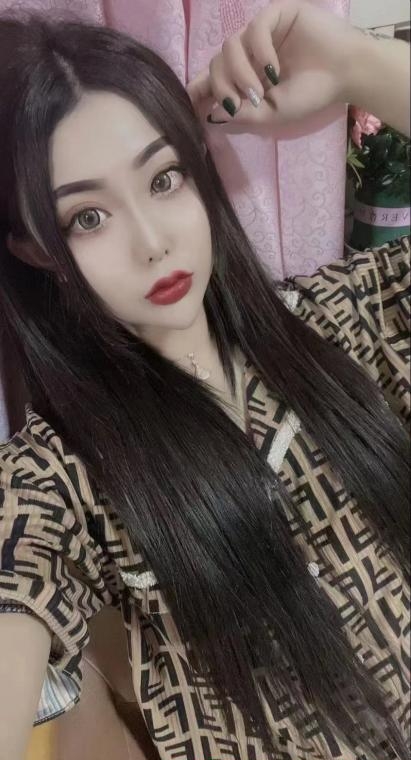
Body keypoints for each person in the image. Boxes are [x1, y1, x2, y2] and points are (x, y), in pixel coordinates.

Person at [0, 1, 409, 759]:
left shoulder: (349, 320)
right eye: (87, 217)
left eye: (164, 178)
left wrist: (360, 65)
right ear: (34, 248)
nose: (153, 243)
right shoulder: (59, 477)